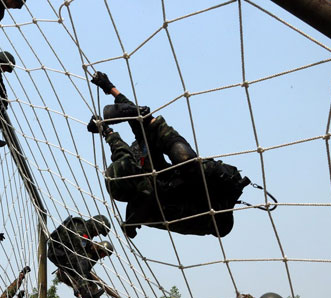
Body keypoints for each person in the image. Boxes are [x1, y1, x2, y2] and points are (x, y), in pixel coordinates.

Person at [89, 72, 252, 239]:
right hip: (207, 214)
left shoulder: (140, 158)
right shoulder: (142, 211)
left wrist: (109, 91)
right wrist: (131, 224)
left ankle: (152, 124)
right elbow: (144, 201)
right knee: (221, 225)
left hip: (199, 179)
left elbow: (124, 133)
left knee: (182, 156)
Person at [47, 215, 113, 298]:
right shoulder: (81, 231)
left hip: (66, 257)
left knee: (92, 283)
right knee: (82, 266)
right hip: (57, 253)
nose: (97, 235)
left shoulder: (87, 239)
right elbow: (79, 262)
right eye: (98, 231)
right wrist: (79, 288)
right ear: (94, 225)